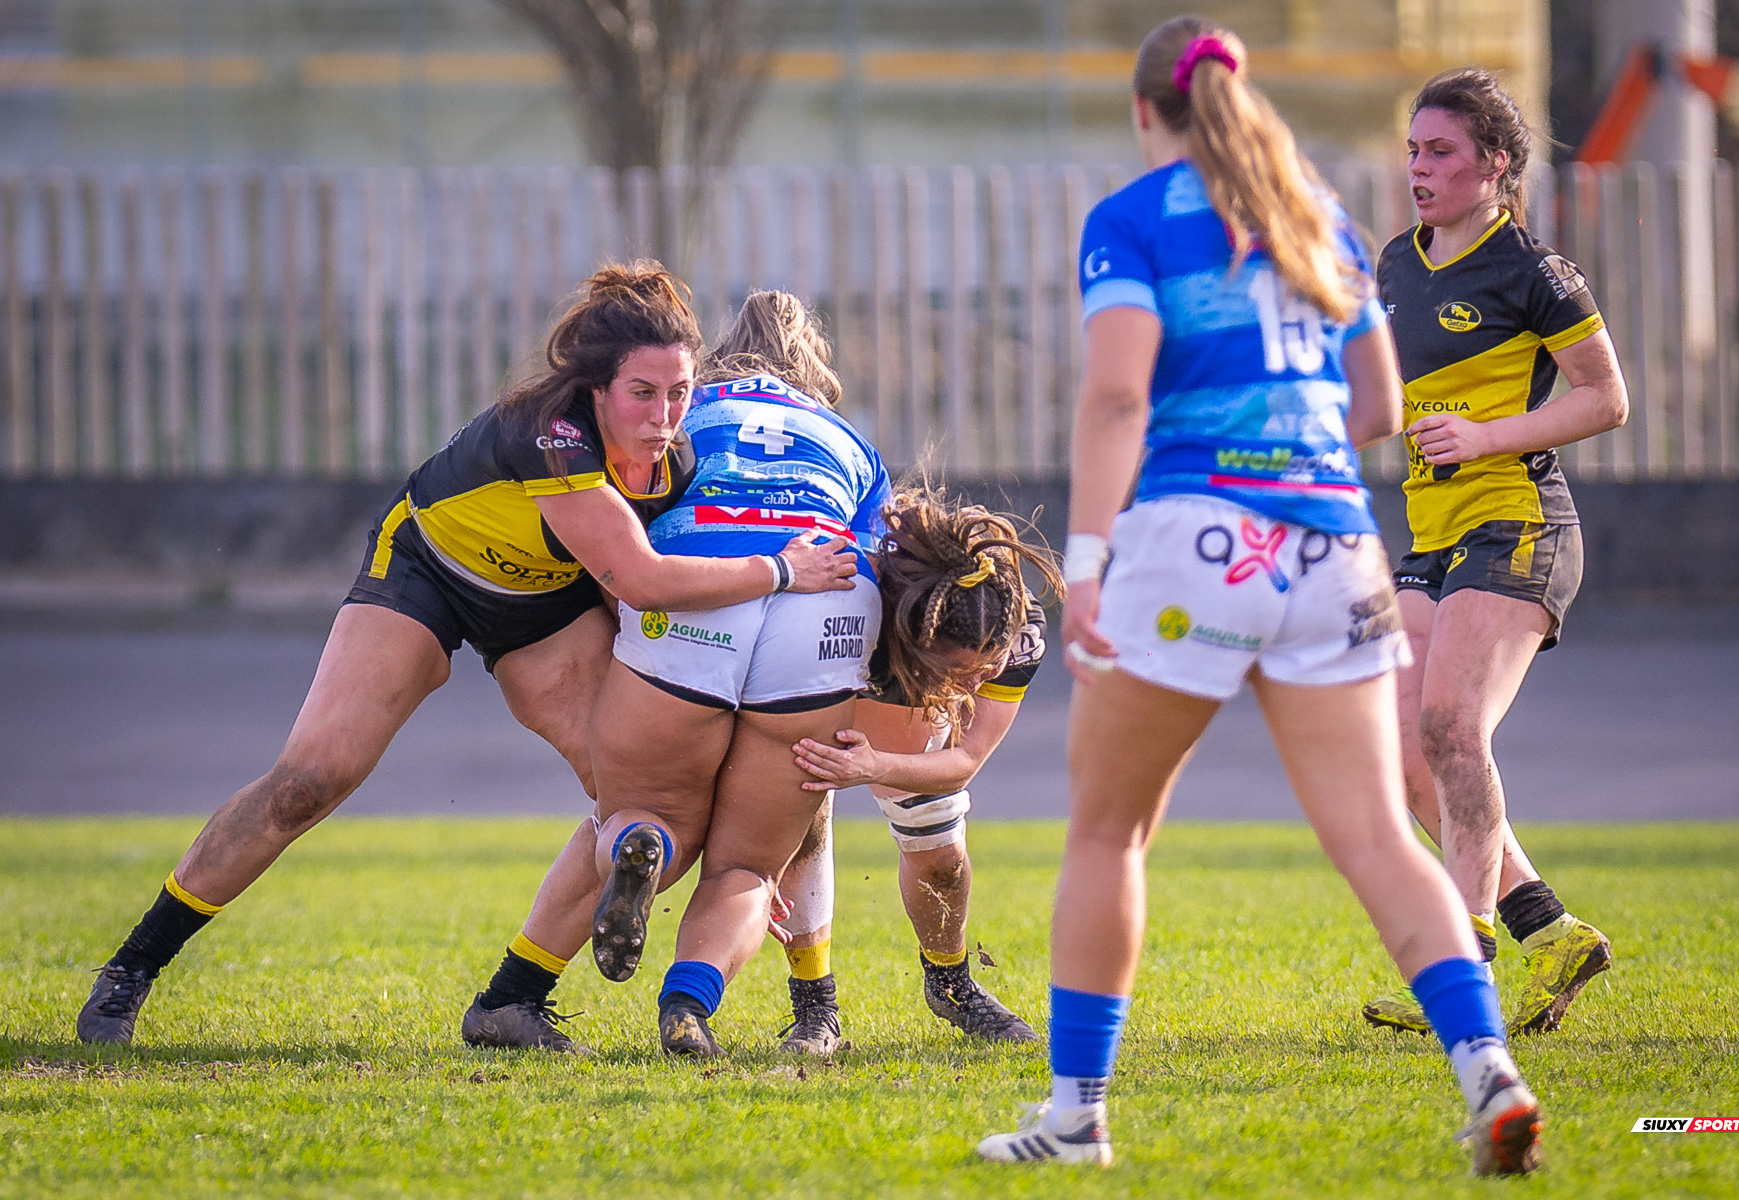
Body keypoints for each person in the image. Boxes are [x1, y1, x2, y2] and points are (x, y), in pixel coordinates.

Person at [976, 19, 1543, 1176]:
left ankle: (1077, 1116)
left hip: (1195, 540)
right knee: (1378, 835)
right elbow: (1377, 406)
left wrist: (1085, 562)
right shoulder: (1317, 217)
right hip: (1338, 546)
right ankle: (1491, 1072)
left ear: (1147, 111)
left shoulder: (1133, 218)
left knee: (1109, 830)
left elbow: (1116, 400)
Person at [77, 264, 857, 1048]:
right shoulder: (549, 434)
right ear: (594, 389)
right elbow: (642, 580)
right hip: (430, 573)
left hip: (546, 606)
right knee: (309, 781)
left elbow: (625, 587)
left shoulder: (673, 464)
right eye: (642, 394)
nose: (663, 418)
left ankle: (511, 1000)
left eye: (680, 393)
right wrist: (782, 569)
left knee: (640, 805)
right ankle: (131, 968)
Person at [467, 290, 888, 1059]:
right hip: (824, 604)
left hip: (698, 587)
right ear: (811, 369)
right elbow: (884, 560)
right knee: (749, 865)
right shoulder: (848, 437)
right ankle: (688, 1009)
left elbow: (620, 542)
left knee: (641, 813)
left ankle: (641, 843)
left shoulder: (678, 418)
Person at [1360, 68, 1627, 1040]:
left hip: (1519, 524)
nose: (1419, 169)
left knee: (1450, 727)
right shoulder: (1397, 263)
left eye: (1441, 152)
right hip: (1430, 536)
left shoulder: (1535, 273)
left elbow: (1606, 399)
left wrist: (1485, 436)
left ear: (1495, 165)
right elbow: (1381, 403)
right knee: (1403, 755)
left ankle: (1460, 973)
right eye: (1413, 151)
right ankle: (1548, 931)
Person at [773, 490, 1064, 1055]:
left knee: (941, 857)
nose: (978, 683)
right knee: (803, 819)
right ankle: (814, 1004)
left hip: (903, 688)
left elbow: (964, 762)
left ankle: (951, 984)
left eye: (990, 663)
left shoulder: (1012, 623)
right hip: (830, 668)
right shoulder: (855, 602)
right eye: (961, 670)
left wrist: (875, 764)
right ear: (920, 637)